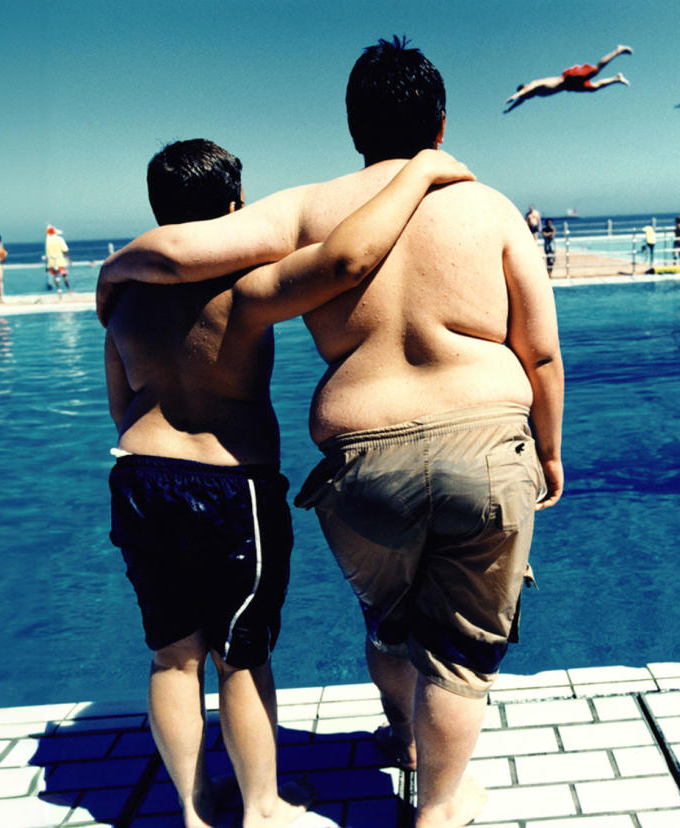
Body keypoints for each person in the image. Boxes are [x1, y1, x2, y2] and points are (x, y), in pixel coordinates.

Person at [98, 37, 563, 828]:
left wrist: (110, 276)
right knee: (453, 652)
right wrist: (550, 451)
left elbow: (178, 257)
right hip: (481, 448)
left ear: (352, 124)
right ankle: (438, 806)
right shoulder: (486, 207)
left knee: (383, 620)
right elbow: (542, 351)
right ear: (442, 123)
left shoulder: (307, 208)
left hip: (352, 463)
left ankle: (373, 744)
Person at [106, 138, 472, 828]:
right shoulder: (245, 288)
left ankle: (192, 810)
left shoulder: (123, 303)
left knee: (171, 655)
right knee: (240, 655)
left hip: (138, 477)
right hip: (229, 484)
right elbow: (344, 258)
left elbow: (118, 401)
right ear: (234, 208)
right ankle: (263, 808)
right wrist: (421, 169)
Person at [503, 45, 631, 113]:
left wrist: (513, 96)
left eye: (525, 95)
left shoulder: (533, 85)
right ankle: (616, 79)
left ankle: (617, 50)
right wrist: (510, 109)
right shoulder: (533, 94)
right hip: (569, 87)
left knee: (595, 71)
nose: (527, 98)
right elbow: (521, 100)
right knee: (594, 88)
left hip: (568, 78)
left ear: (524, 88)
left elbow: (524, 93)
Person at [45, 225, 72, 293]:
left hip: (51, 262)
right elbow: (65, 250)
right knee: (64, 276)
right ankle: (69, 290)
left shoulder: (48, 241)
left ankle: (58, 290)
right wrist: (68, 259)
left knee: (55, 276)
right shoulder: (60, 239)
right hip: (60, 261)